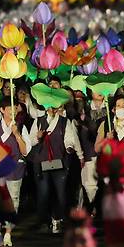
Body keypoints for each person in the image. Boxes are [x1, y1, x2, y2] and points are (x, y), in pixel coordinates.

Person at [29, 100, 83, 234]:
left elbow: (70, 138)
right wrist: (38, 137)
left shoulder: (64, 121)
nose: (51, 108)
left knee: (61, 192)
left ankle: (59, 218)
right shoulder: (39, 121)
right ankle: (43, 220)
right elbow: (31, 141)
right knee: (43, 192)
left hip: (59, 160)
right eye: (49, 106)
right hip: (42, 161)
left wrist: (70, 147)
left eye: (54, 106)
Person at [0, 97, 31, 246]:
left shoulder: (21, 127)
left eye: (15, 108)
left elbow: (25, 151)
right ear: (2, 110)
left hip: (14, 169)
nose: (13, 111)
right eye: (9, 108)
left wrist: (17, 134)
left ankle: (8, 233)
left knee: (13, 201)